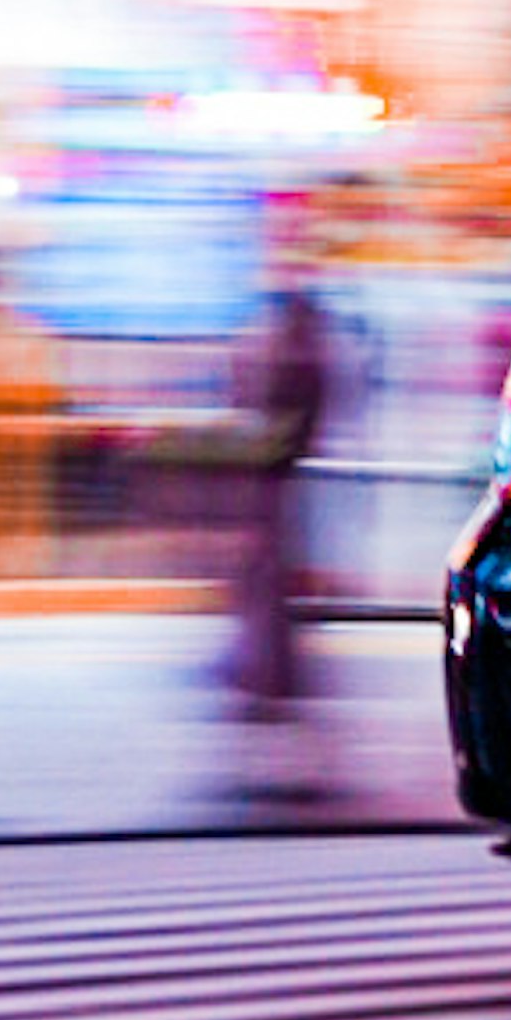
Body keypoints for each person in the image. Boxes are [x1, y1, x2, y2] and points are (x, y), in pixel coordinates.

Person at [221, 204, 331, 743]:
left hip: (278, 470)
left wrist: (279, 443)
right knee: (262, 579)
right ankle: (263, 679)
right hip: (271, 469)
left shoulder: (298, 322)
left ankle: (269, 681)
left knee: (269, 579)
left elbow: (292, 393)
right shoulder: (285, 320)